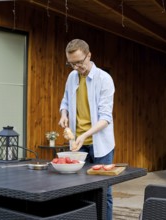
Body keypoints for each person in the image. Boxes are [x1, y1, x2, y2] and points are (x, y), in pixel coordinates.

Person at [58, 39, 115, 220]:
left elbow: (106, 118)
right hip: (78, 145)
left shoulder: (104, 79)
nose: (76, 67)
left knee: (104, 192)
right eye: (71, 63)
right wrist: (63, 114)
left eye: (79, 62)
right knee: (79, 191)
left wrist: (84, 135)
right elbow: (65, 101)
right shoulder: (72, 77)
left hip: (101, 146)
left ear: (89, 55)